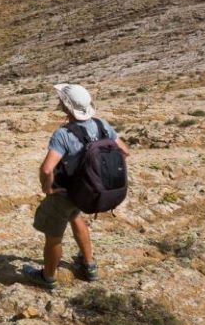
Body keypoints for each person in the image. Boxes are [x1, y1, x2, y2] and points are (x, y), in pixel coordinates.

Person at [22, 83, 129, 290]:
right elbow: (124, 151)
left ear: (67, 108)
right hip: (87, 190)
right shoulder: (101, 125)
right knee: (76, 216)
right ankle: (89, 265)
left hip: (66, 193)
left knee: (53, 236)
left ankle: (48, 277)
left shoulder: (63, 134)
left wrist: (48, 187)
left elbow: (46, 169)